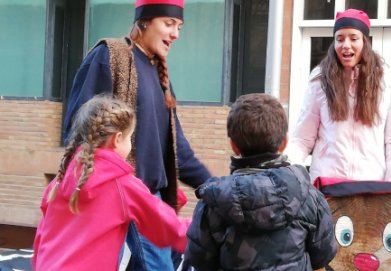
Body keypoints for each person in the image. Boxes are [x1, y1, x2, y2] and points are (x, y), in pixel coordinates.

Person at [62, 0, 211, 269]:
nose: (176, 33)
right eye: (168, 24)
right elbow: (78, 127)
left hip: (147, 198)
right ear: (144, 21)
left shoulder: (159, 74)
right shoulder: (109, 56)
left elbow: (177, 147)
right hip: (110, 194)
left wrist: (212, 186)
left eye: (179, 26)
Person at [32, 95, 191, 271]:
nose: (131, 144)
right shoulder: (122, 185)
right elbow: (169, 229)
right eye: (130, 138)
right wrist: (209, 223)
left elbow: (42, 236)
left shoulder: (59, 180)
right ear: (117, 138)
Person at [184, 93, 337, 270]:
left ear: (233, 145)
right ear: (284, 143)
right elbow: (323, 254)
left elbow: (199, 260)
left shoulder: (214, 203)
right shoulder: (309, 197)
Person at [285, 9, 391, 184]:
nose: (346, 45)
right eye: (340, 39)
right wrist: (288, 175)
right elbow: (302, 139)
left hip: (371, 187)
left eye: (353, 38)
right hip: (327, 186)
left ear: (365, 41)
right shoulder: (320, 82)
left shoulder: (388, 85)